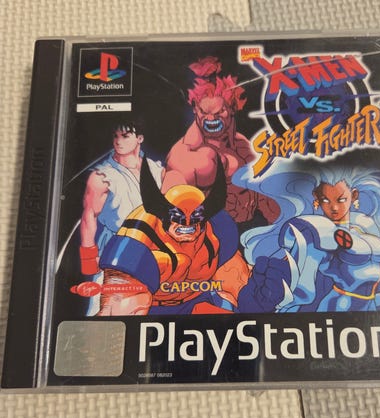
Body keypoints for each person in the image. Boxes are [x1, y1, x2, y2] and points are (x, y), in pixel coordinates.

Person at [238, 167, 380, 313]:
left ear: (354, 196)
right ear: (317, 199)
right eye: (326, 200)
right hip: (327, 317)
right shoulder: (314, 233)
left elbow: (378, 277)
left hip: (363, 315)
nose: (334, 208)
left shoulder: (366, 225)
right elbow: (303, 294)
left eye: (341, 199)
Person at [97, 156, 249, 315]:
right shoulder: (140, 231)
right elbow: (120, 300)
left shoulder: (217, 230)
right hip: (154, 312)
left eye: (195, 217)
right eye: (178, 217)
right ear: (164, 215)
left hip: (196, 305)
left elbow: (234, 279)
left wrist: (250, 302)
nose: (187, 224)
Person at [162, 56, 279, 230]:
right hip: (210, 235)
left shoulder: (242, 145)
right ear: (195, 109)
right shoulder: (187, 155)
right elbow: (171, 205)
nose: (211, 119)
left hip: (249, 229)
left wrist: (281, 227)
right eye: (204, 113)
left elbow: (263, 197)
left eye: (218, 113)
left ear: (232, 108)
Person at [79, 118, 163, 314]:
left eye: (125, 136)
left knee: (146, 305)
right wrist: (89, 258)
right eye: (115, 136)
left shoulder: (157, 170)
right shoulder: (101, 176)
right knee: (103, 306)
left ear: (139, 138)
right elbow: (89, 215)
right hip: (114, 245)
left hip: (151, 246)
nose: (118, 141)